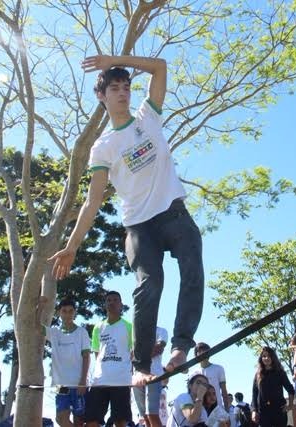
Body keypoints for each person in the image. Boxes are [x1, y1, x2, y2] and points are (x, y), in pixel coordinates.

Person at [49, 54, 204, 385]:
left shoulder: (147, 118)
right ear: (102, 97)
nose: (122, 93)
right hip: (139, 227)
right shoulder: (103, 147)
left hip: (173, 213)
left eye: (126, 87)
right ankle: (142, 363)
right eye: (114, 88)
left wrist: (115, 60)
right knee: (150, 284)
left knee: (192, 264)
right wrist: (72, 246)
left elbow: (161, 66)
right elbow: (92, 201)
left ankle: (180, 346)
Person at [85, 291, 133, 427]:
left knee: (120, 421)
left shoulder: (129, 327)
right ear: (105, 304)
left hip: (121, 380)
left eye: (115, 300)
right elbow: (97, 354)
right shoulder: (98, 328)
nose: (112, 303)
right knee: (91, 421)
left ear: (121, 305)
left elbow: (133, 353)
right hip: (100, 380)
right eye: (109, 300)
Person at [42, 297, 91, 427]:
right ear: (59, 313)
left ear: (75, 313)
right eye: (64, 311)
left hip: (77, 384)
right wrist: (40, 306)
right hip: (61, 386)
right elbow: (36, 326)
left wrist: (83, 381)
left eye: (70, 311)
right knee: (60, 419)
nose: (67, 314)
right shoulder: (53, 332)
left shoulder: (82, 332)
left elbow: (86, 357)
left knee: (79, 421)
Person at [251, 347, 295, 427]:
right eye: (264, 356)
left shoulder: (280, 373)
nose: (266, 358)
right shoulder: (258, 375)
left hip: (279, 410)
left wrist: (290, 406)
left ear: (273, 357)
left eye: (269, 356)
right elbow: (254, 394)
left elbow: (290, 389)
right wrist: (254, 410)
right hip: (263, 412)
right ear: (261, 358)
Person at [134, 326, 169, 427]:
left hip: (154, 376)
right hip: (137, 377)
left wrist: (138, 355)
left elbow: (159, 349)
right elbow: (130, 353)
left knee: (152, 414)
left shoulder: (162, 330)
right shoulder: (136, 331)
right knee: (143, 416)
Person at [192, 342, 230, 410]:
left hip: (217, 408)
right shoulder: (193, 373)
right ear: (196, 354)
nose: (202, 353)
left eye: (205, 351)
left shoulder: (218, 368)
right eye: (199, 351)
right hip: (200, 410)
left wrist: (227, 410)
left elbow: (224, 390)